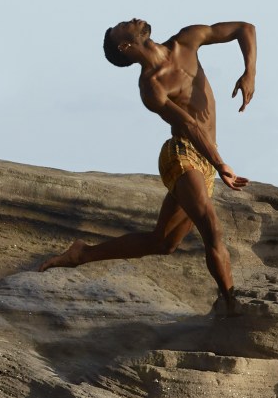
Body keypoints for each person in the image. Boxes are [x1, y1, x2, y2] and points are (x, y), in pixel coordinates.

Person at [39, 18, 256, 315]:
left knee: (163, 242)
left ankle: (82, 253)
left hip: (206, 160)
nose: (131, 19)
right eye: (122, 25)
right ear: (125, 46)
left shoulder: (187, 40)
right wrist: (219, 163)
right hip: (182, 153)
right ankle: (233, 306)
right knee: (212, 228)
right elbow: (190, 125)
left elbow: (245, 29)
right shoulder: (151, 87)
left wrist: (249, 72)